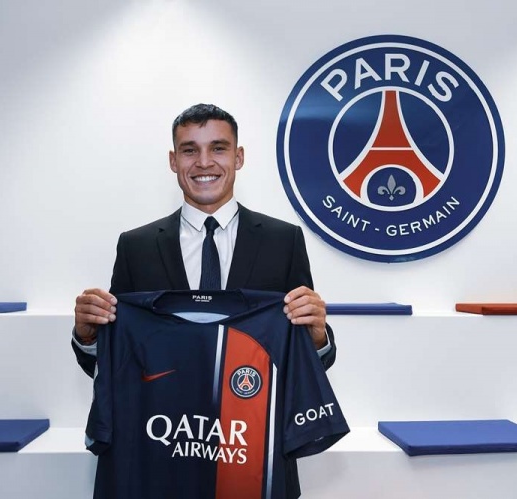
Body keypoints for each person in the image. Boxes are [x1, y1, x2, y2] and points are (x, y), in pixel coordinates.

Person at [71, 103, 337, 498]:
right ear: (173, 161)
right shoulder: (136, 246)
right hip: (161, 451)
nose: (204, 162)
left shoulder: (284, 241)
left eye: (218, 148)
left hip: (251, 451)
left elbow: (303, 359)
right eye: (190, 150)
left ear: (238, 157)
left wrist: (316, 336)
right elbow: (116, 360)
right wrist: (89, 336)